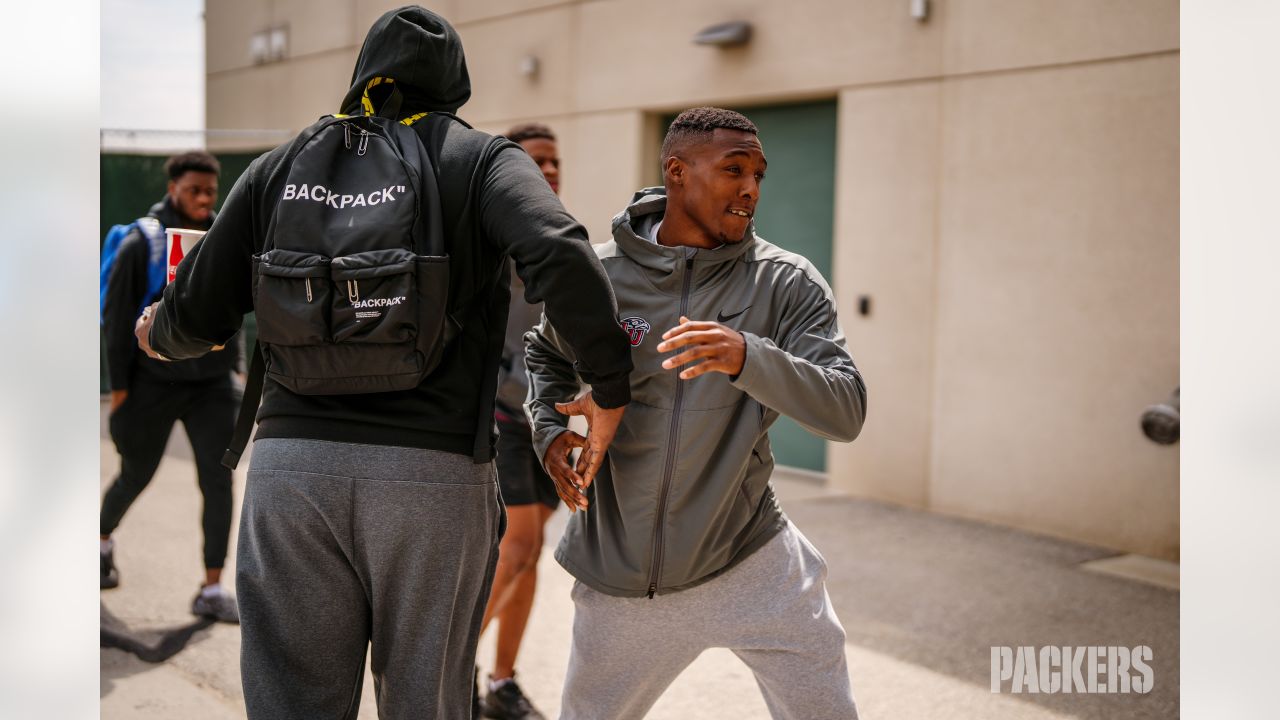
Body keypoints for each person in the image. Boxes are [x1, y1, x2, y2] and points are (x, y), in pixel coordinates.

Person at [133, 7, 633, 719]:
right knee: (425, 703)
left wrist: (157, 330)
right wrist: (610, 385)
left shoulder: (282, 166)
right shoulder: (482, 159)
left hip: (291, 474)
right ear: (455, 83)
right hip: (432, 481)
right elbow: (559, 251)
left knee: (291, 702)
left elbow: (196, 316)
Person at [525, 107, 867, 719]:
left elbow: (844, 412)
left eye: (759, 174)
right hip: (620, 580)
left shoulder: (786, 284)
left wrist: (747, 356)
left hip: (751, 560)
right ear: (677, 172)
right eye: (734, 170)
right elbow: (544, 352)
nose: (751, 190)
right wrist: (549, 428)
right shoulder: (598, 277)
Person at [100, 150, 243, 624]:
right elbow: (117, 320)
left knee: (218, 480)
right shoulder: (143, 241)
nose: (204, 198)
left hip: (210, 386)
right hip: (152, 383)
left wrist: (235, 371)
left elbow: (236, 307)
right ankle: (100, 541)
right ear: (173, 187)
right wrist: (120, 391)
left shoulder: (223, 235)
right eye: (194, 189)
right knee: (135, 474)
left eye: (210, 190)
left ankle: (212, 587)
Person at [477, 122, 562, 720]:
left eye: (556, 161)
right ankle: (443, 671)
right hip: (501, 414)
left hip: (549, 418)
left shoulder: (561, 230)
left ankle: (502, 681)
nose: (551, 170)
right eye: (538, 160)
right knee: (518, 546)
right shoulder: (494, 232)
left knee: (531, 555)